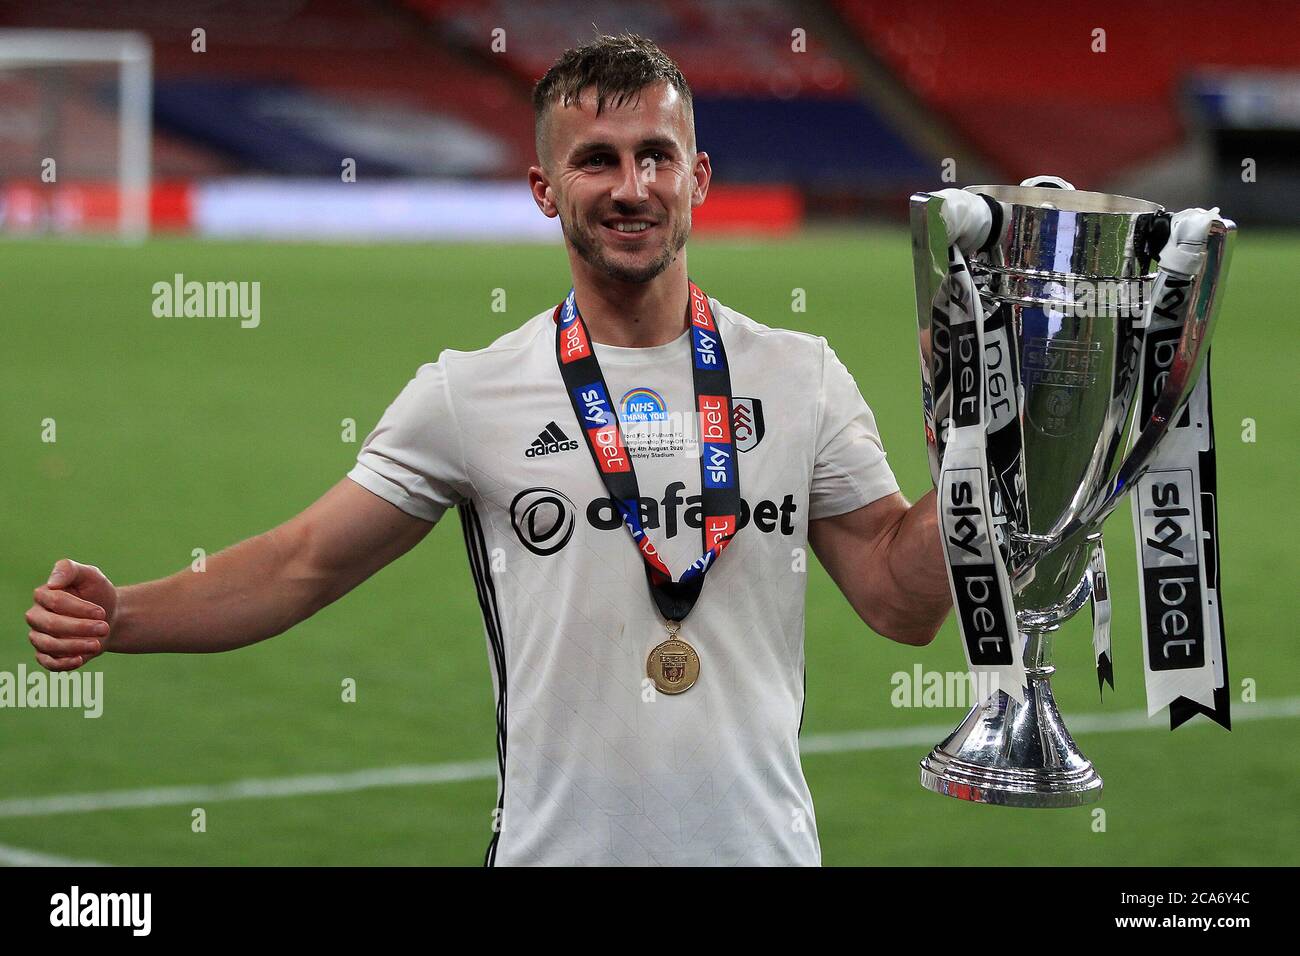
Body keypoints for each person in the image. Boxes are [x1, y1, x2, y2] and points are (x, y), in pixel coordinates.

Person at [24, 34, 950, 866]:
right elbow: (299, 566)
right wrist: (124, 617)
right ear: (545, 189)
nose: (632, 188)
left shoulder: (799, 375)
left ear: (697, 176)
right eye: (596, 161)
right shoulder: (471, 393)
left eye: (655, 157)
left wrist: (981, 458)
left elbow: (902, 604)